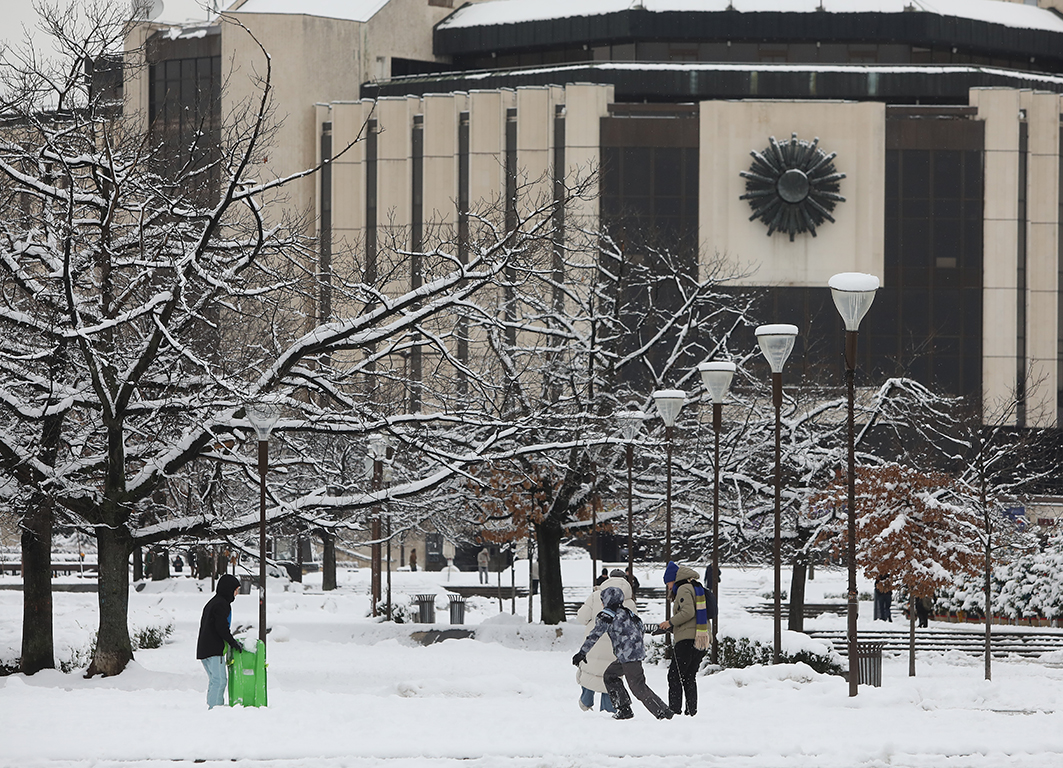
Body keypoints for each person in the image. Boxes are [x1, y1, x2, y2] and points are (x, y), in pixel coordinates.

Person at [572, 586, 672, 720]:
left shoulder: (606, 616)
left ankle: (662, 712)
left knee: (638, 686)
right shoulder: (628, 613)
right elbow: (643, 627)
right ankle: (624, 709)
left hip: (628, 656)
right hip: (630, 654)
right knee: (610, 675)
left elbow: (594, 635)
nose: (601, 603)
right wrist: (658, 629)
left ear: (606, 600)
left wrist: (582, 653)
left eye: (602, 600)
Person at [574, 569, 635, 713]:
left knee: (590, 671)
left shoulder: (596, 596)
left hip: (594, 643)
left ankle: (586, 701)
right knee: (610, 677)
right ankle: (607, 709)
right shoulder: (629, 602)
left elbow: (582, 617)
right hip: (616, 646)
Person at [658, 561, 710, 716]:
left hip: (687, 640)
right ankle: (691, 711)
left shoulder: (683, 589)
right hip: (701, 637)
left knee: (674, 675)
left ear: (673, 579)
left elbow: (688, 612)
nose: (668, 587)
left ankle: (674, 711)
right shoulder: (695, 586)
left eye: (668, 583)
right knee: (688, 676)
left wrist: (670, 622)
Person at [196, 573, 244, 708]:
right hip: (214, 649)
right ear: (229, 589)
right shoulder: (222, 604)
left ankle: (212, 706)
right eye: (236, 590)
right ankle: (215, 709)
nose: (237, 594)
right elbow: (221, 628)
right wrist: (233, 642)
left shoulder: (214, 602)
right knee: (220, 680)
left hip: (205, 648)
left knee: (215, 680)